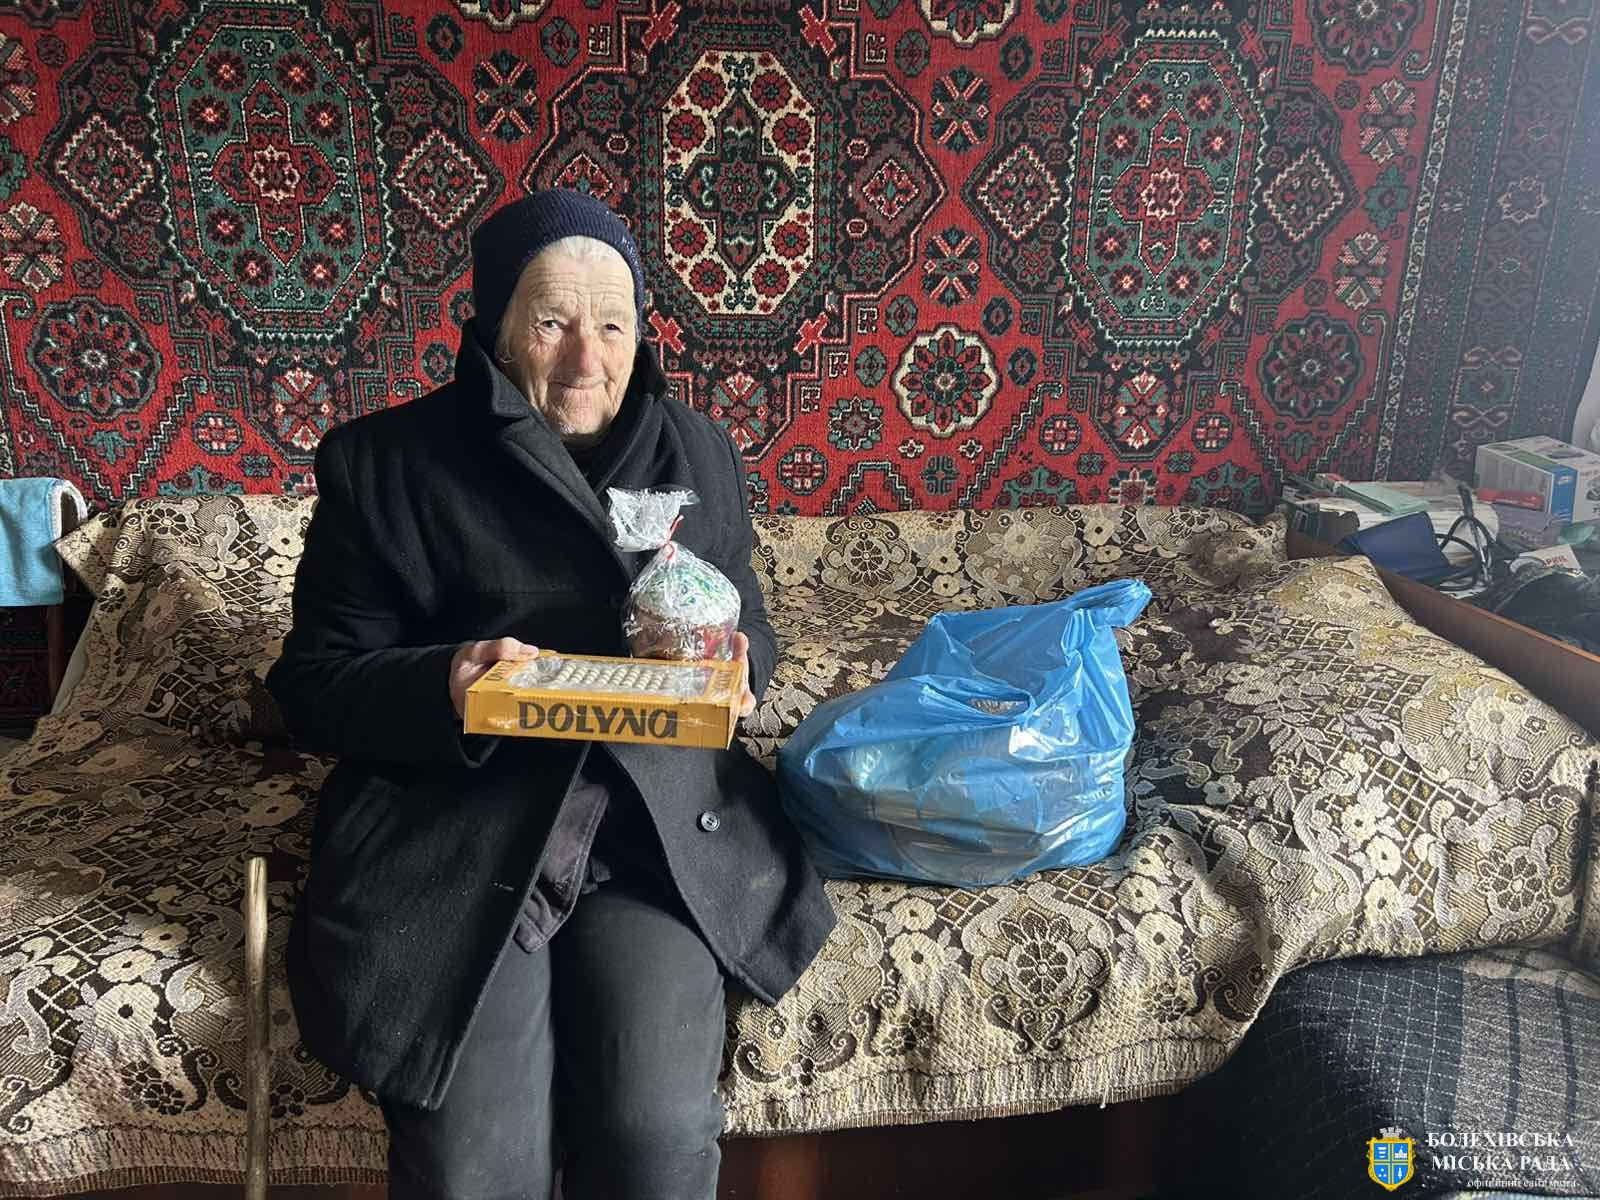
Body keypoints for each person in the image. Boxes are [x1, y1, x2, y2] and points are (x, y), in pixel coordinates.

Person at [266, 188, 837, 1200]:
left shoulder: (694, 448)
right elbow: (313, 684)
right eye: (552, 324)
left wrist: (741, 657)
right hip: (459, 823)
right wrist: (444, 680)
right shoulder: (384, 463)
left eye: (612, 326)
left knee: (655, 1139)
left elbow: (748, 612)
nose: (586, 360)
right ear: (494, 328)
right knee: (476, 1170)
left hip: (650, 822)